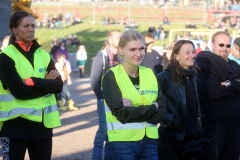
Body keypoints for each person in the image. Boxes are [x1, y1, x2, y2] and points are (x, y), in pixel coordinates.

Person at [0, 11, 62, 160]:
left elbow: (58, 86)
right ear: (14, 30)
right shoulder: (5, 57)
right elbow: (19, 92)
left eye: (33, 26)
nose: (31, 29)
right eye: (26, 26)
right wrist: (46, 86)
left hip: (42, 127)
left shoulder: (44, 55)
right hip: (14, 127)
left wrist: (31, 81)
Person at [102, 29, 170, 160]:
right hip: (121, 143)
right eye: (132, 49)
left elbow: (162, 110)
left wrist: (134, 108)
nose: (138, 53)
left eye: (141, 49)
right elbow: (121, 114)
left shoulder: (149, 74)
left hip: (150, 141)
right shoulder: (111, 76)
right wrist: (152, 107)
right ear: (121, 50)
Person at [196, 31, 240, 160]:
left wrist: (229, 83)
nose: (224, 49)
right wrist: (236, 87)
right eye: (221, 45)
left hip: (235, 125)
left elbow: (220, 89)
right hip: (214, 125)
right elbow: (215, 91)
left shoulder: (234, 65)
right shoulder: (204, 62)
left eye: (227, 45)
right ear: (212, 44)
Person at [157, 40, 203, 160]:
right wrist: (172, 121)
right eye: (187, 52)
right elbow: (154, 105)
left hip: (194, 141)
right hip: (171, 140)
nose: (192, 55)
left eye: (193, 52)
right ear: (176, 56)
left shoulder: (196, 76)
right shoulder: (163, 78)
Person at [90, 30, 121, 160]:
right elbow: (94, 80)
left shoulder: (122, 57)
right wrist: (102, 96)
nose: (120, 40)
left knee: (113, 131)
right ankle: (96, 157)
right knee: (103, 130)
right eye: (117, 38)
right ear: (110, 40)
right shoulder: (101, 56)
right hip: (104, 100)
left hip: (119, 100)